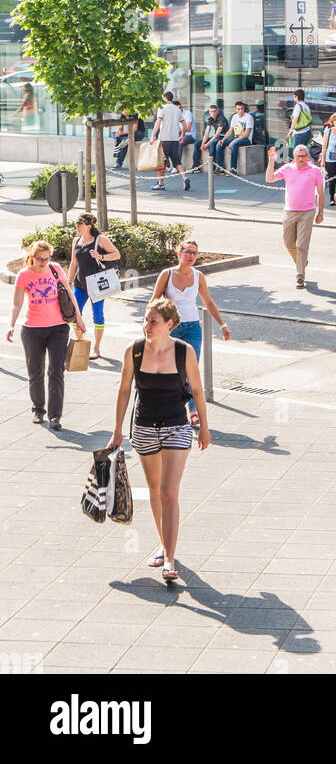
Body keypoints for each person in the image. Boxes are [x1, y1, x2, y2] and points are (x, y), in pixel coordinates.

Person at [110, 297, 210, 584]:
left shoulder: (184, 352)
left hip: (177, 427)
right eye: (145, 319)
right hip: (143, 428)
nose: (147, 325)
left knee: (169, 492)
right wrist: (117, 430)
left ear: (169, 324)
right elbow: (124, 391)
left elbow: (199, 392)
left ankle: (169, 559)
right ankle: (164, 545)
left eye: (153, 321)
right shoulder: (135, 351)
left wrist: (204, 427)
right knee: (154, 492)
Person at [150, 241, 231, 425]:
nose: (192, 256)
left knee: (190, 369)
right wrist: (150, 323)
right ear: (179, 253)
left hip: (193, 328)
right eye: (188, 252)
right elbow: (154, 300)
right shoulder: (167, 275)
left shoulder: (199, 276)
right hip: (171, 329)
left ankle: (193, 409)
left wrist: (222, 325)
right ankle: (168, 406)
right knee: (170, 370)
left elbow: (208, 302)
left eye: (195, 253)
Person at [7, 240, 85, 428]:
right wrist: (11, 325)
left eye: (47, 258)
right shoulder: (24, 275)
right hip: (32, 329)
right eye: (41, 259)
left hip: (58, 328)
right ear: (32, 257)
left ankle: (55, 416)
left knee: (56, 370)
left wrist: (78, 318)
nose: (44, 262)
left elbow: (70, 293)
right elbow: (17, 303)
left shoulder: (55, 268)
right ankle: (38, 410)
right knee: (35, 372)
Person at [266, 142, 325, 288]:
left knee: (302, 245)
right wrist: (271, 161)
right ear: (295, 157)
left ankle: (300, 275)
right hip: (289, 211)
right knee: (288, 243)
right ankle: (302, 262)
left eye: (303, 156)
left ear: (307, 157)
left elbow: (321, 193)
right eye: (298, 156)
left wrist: (320, 212)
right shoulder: (287, 168)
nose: (301, 159)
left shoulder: (315, 170)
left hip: (308, 211)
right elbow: (269, 179)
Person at [66, 213, 122, 359]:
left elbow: (117, 254)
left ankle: (96, 349)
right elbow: (73, 263)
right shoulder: (76, 241)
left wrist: (100, 256)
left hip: (97, 284)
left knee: (97, 315)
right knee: (74, 314)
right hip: (80, 284)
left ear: (88, 226)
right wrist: (69, 282)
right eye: (76, 224)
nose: (77, 227)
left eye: (80, 225)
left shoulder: (100, 239)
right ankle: (80, 343)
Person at [150, 90, 190, 192]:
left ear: (164, 98)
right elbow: (184, 124)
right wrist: (182, 135)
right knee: (176, 160)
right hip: (174, 138)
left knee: (161, 161)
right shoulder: (177, 109)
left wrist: (152, 136)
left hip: (164, 138)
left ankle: (161, 183)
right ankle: (184, 178)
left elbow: (158, 123)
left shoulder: (162, 108)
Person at [214, 100, 253, 174]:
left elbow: (246, 134)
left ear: (244, 109)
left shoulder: (248, 117)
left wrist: (233, 141)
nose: (240, 111)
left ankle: (233, 169)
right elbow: (230, 130)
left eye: (242, 109)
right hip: (236, 137)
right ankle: (220, 168)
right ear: (236, 109)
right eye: (238, 109)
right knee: (219, 145)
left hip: (246, 139)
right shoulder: (234, 117)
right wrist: (223, 139)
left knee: (234, 145)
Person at [194, 104, 228, 169]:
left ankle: (213, 166)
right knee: (197, 143)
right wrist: (203, 144)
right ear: (209, 112)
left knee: (212, 143)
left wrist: (207, 144)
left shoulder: (221, 118)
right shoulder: (210, 119)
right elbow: (206, 133)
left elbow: (217, 134)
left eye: (214, 111)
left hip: (223, 137)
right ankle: (196, 166)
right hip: (216, 137)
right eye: (211, 111)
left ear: (217, 111)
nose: (213, 113)